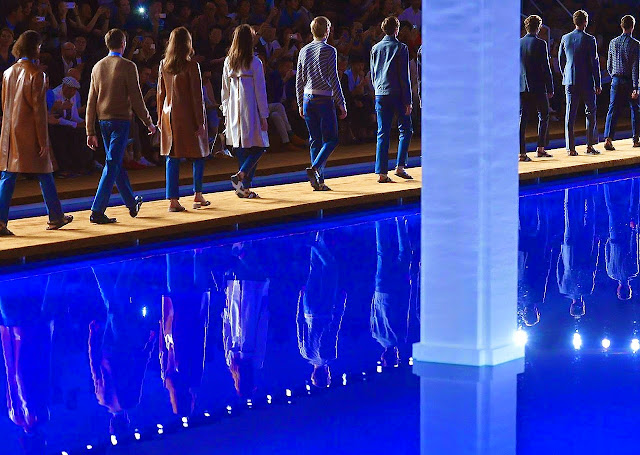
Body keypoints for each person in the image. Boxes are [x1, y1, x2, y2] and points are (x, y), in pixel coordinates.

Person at [0, 30, 73, 236]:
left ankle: (1, 221)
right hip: (29, 131)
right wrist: (43, 140)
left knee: (8, 175)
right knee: (45, 171)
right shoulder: (37, 74)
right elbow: (39, 111)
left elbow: (5, 104)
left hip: (9, 131)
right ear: (36, 48)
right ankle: (55, 216)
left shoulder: (8, 72)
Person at [86, 28, 156, 224]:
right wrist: (149, 122)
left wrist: (90, 130)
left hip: (103, 122)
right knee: (112, 163)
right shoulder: (128, 66)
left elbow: (91, 101)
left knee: (115, 162)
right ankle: (97, 210)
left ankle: (131, 203)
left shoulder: (97, 66)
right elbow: (137, 98)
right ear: (124, 44)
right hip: (121, 122)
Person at [157, 27, 210, 212]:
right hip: (187, 115)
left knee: (172, 157)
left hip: (168, 115)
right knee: (199, 154)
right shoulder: (192, 65)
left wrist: (159, 118)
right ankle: (198, 193)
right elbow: (196, 96)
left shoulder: (164, 64)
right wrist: (200, 122)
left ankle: (173, 200)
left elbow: (160, 93)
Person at [296, 16, 347, 191]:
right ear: (327, 31)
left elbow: (299, 79)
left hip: (308, 98)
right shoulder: (329, 50)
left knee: (315, 140)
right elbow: (334, 78)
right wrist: (341, 102)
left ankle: (319, 182)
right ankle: (316, 168)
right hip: (323, 99)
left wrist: (300, 103)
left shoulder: (303, 50)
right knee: (331, 139)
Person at [221, 24, 269, 199]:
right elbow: (260, 90)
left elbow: (224, 90)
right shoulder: (255, 62)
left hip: (233, 109)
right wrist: (264, 115)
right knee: (260, 146)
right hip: (250, 109)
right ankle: (242, 177)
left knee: (242, 147)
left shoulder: (229, 61)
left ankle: (244, 188)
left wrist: (225, 112)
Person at [370, 16, 413, 182]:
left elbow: (373, 74)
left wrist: (376, 90)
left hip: (380, 93)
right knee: (406, 129)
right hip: (397, 94)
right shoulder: (401, 47)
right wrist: (408, 100)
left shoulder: (375, 48)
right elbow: (404, 76)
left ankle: (382, 173)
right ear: (397, 29)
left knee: (383, 133)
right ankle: (400, 166)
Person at [559, 10, 602, 156]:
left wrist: (565, 74)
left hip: (570, 81)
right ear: (586, 22)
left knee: (570, 113)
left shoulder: (565, 38)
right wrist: (598, 83)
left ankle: (570, 148)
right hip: (586, 81)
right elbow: (594, 63)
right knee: (591, 112)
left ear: (574, 21)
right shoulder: (590, 39)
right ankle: (589, 145)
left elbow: (561, 60)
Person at [519, 15, 554, 162]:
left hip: (522, 85)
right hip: (538, 86)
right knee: (544, 115)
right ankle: (540, 148)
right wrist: (550, 87)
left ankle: (522, 153)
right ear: (538, 27)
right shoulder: (541, 44)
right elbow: (545, 67)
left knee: (523, 119)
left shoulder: (518, 43)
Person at [604, 15, 640, 151]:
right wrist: (636, 87)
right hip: (629, 80)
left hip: (616, 79)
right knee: (635, 109)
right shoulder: (635, 44)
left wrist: (614, 76)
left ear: (621, 26)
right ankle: (635, 139)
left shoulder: (613, 42)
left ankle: (608, 138)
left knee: (612, 109)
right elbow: (635, 67)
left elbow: (609, 65)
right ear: (633, 26)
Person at [47, 76, 92, 175]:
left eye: (74, 91)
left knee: (84, 133)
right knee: (64, 135)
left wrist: (85, 123)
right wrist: (75, 124)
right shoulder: (54, 95)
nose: (72, 93)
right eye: (70, 90)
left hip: (67, 124)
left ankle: (83, 166)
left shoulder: (73, 96)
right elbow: (55, 118)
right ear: (64, 87)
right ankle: (63, 168)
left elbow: (74, 116)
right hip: (55, 125)